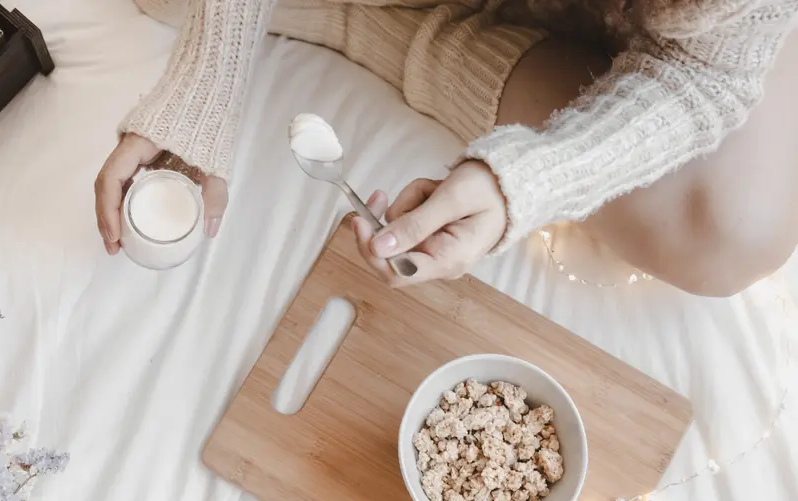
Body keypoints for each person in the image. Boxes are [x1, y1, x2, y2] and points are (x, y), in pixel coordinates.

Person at [94, 0, 797, 296]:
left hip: (647, 37)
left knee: (735, 230)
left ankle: (370, 28)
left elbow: (703, 76)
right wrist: (208, 77)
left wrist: (519, 182)